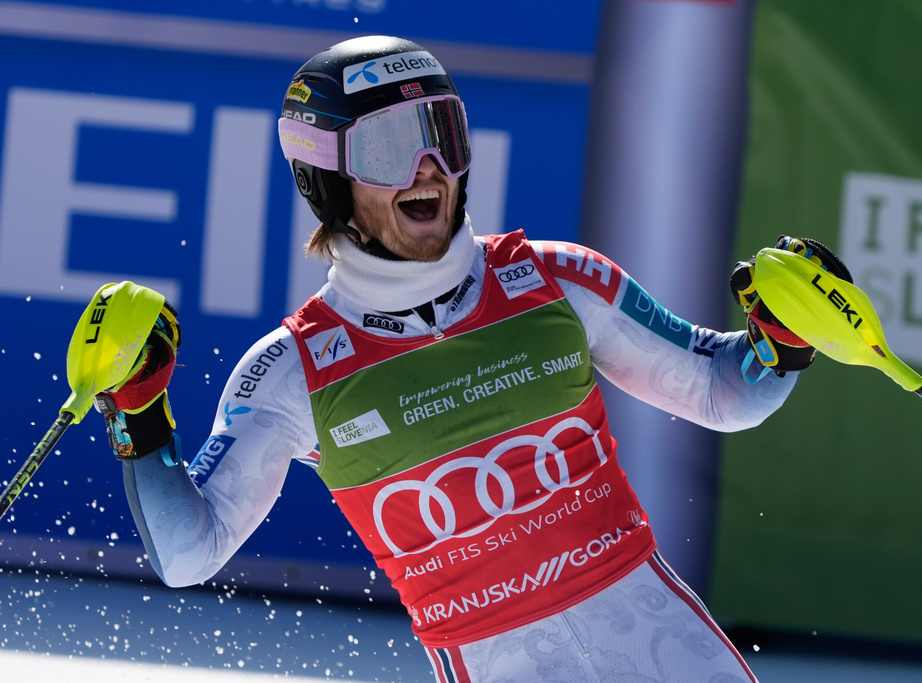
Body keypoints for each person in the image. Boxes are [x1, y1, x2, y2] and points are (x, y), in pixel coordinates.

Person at [93, 35, 849, 683]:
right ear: (325, 178)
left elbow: (724, 392)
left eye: (442, 136)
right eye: (392, 148)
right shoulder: (292, 369)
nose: (428, 169)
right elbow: (188, 554)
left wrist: (780, 343)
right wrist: (140, 418)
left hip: (668, 652)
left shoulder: (559, 278)